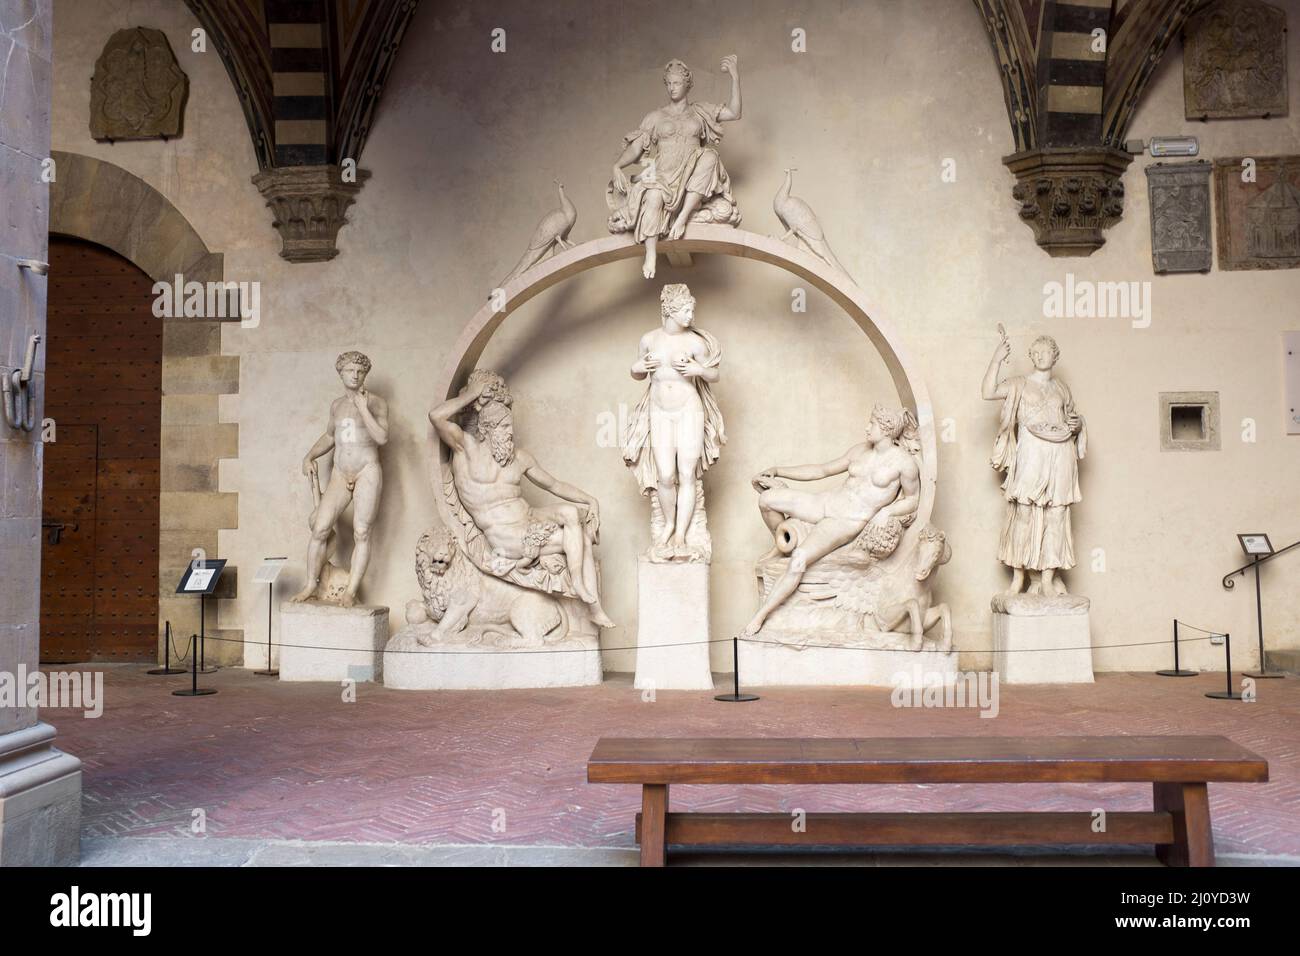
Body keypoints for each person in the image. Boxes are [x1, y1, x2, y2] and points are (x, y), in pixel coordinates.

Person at [429, 371, 615, 627]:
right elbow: (436, 416)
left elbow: (554, 484)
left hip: (529, 517)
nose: (509, 433)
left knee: (571, 514)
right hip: (505, 535)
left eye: (510, 427)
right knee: (580, 538)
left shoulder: (520, 458)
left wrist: (590, 500)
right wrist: (474, 392)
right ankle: (591, 604)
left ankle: (581, 587)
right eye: (504, 428)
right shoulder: (466, 450)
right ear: (486, 428)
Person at [744, 404, 921, 635]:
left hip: (846, 521)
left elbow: (913, 499)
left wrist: (887, 512)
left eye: (873, 424)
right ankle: (784, 540)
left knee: (799, 560)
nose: (867, 428)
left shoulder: (903, 463)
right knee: (766, 499)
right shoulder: (860, 451)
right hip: (825, 502)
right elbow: (821, 470)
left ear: (887, 429)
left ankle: (762, 615)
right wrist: (778, 470)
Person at [608, 56, 744, 278]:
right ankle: (650, 254)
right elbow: (635, 149)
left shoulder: (701, 111)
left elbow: (734, 113)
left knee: (709, 156)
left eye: (677, 83)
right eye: (668, 83)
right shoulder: (656, 117)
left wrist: (735, 76)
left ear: (687, 84)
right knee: (653, 197)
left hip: (691, 173)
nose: (672, 88)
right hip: (662, 174)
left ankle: (681, 220)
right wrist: (617, 166)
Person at [622, 283, 724, 561]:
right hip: (659, 410)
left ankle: (681, 534)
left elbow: (713, 374)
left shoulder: (695, 342)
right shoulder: (649, 340)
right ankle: (668, 524)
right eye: (685, 310)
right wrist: (637, 368)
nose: (691, 315)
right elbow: (637, 371)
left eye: (692, 309)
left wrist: (698, 369)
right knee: (665, 475)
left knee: (687, 474)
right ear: (670, 310)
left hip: (689, 409)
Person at [981, 331, 1086, 596]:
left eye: (1046, 352)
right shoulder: (1019, 384)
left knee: (1056, 515)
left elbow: (1072, 418)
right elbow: (988, 391)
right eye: (1036, 353)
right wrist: (996, 359)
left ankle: (1048, 579)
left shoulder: (1061, 388)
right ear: (1031, 357)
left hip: (1059, 455)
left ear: (1055, 356)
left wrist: (1078, 425)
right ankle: (1019, 577)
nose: (1041, 356)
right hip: (1031, 454)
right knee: (1024, 514)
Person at [292, 351, 388, 607]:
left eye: (359, 371)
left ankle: (351, 591)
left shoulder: (377, 403)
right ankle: (311, 584)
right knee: (321, 527)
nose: (355, 375)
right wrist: (309, 455)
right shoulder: (336, 405)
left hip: (367, 470)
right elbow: (330, 437)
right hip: (340, 472)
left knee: (362, 531)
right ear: (341, 373)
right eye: (350, 370)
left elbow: (381, 438)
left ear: (365, 374)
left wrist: (362, 408)